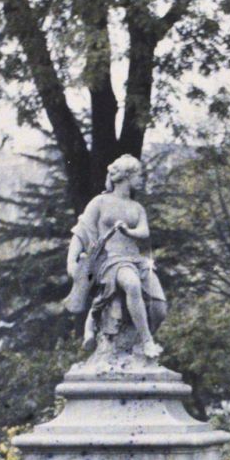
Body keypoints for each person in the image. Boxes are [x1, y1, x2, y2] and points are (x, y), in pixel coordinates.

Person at [63, 154, 165, 360]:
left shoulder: (137, 208)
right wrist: (71, 262)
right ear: (127, 176)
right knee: (132, 284)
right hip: (110, 260)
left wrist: (129, 232)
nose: (142, 179)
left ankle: (134, 344)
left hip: (136, 260)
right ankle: (147, 342)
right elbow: (81, 232)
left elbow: (144, 232)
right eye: (139, 175)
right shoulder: (100, 202)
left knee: (159, 307)